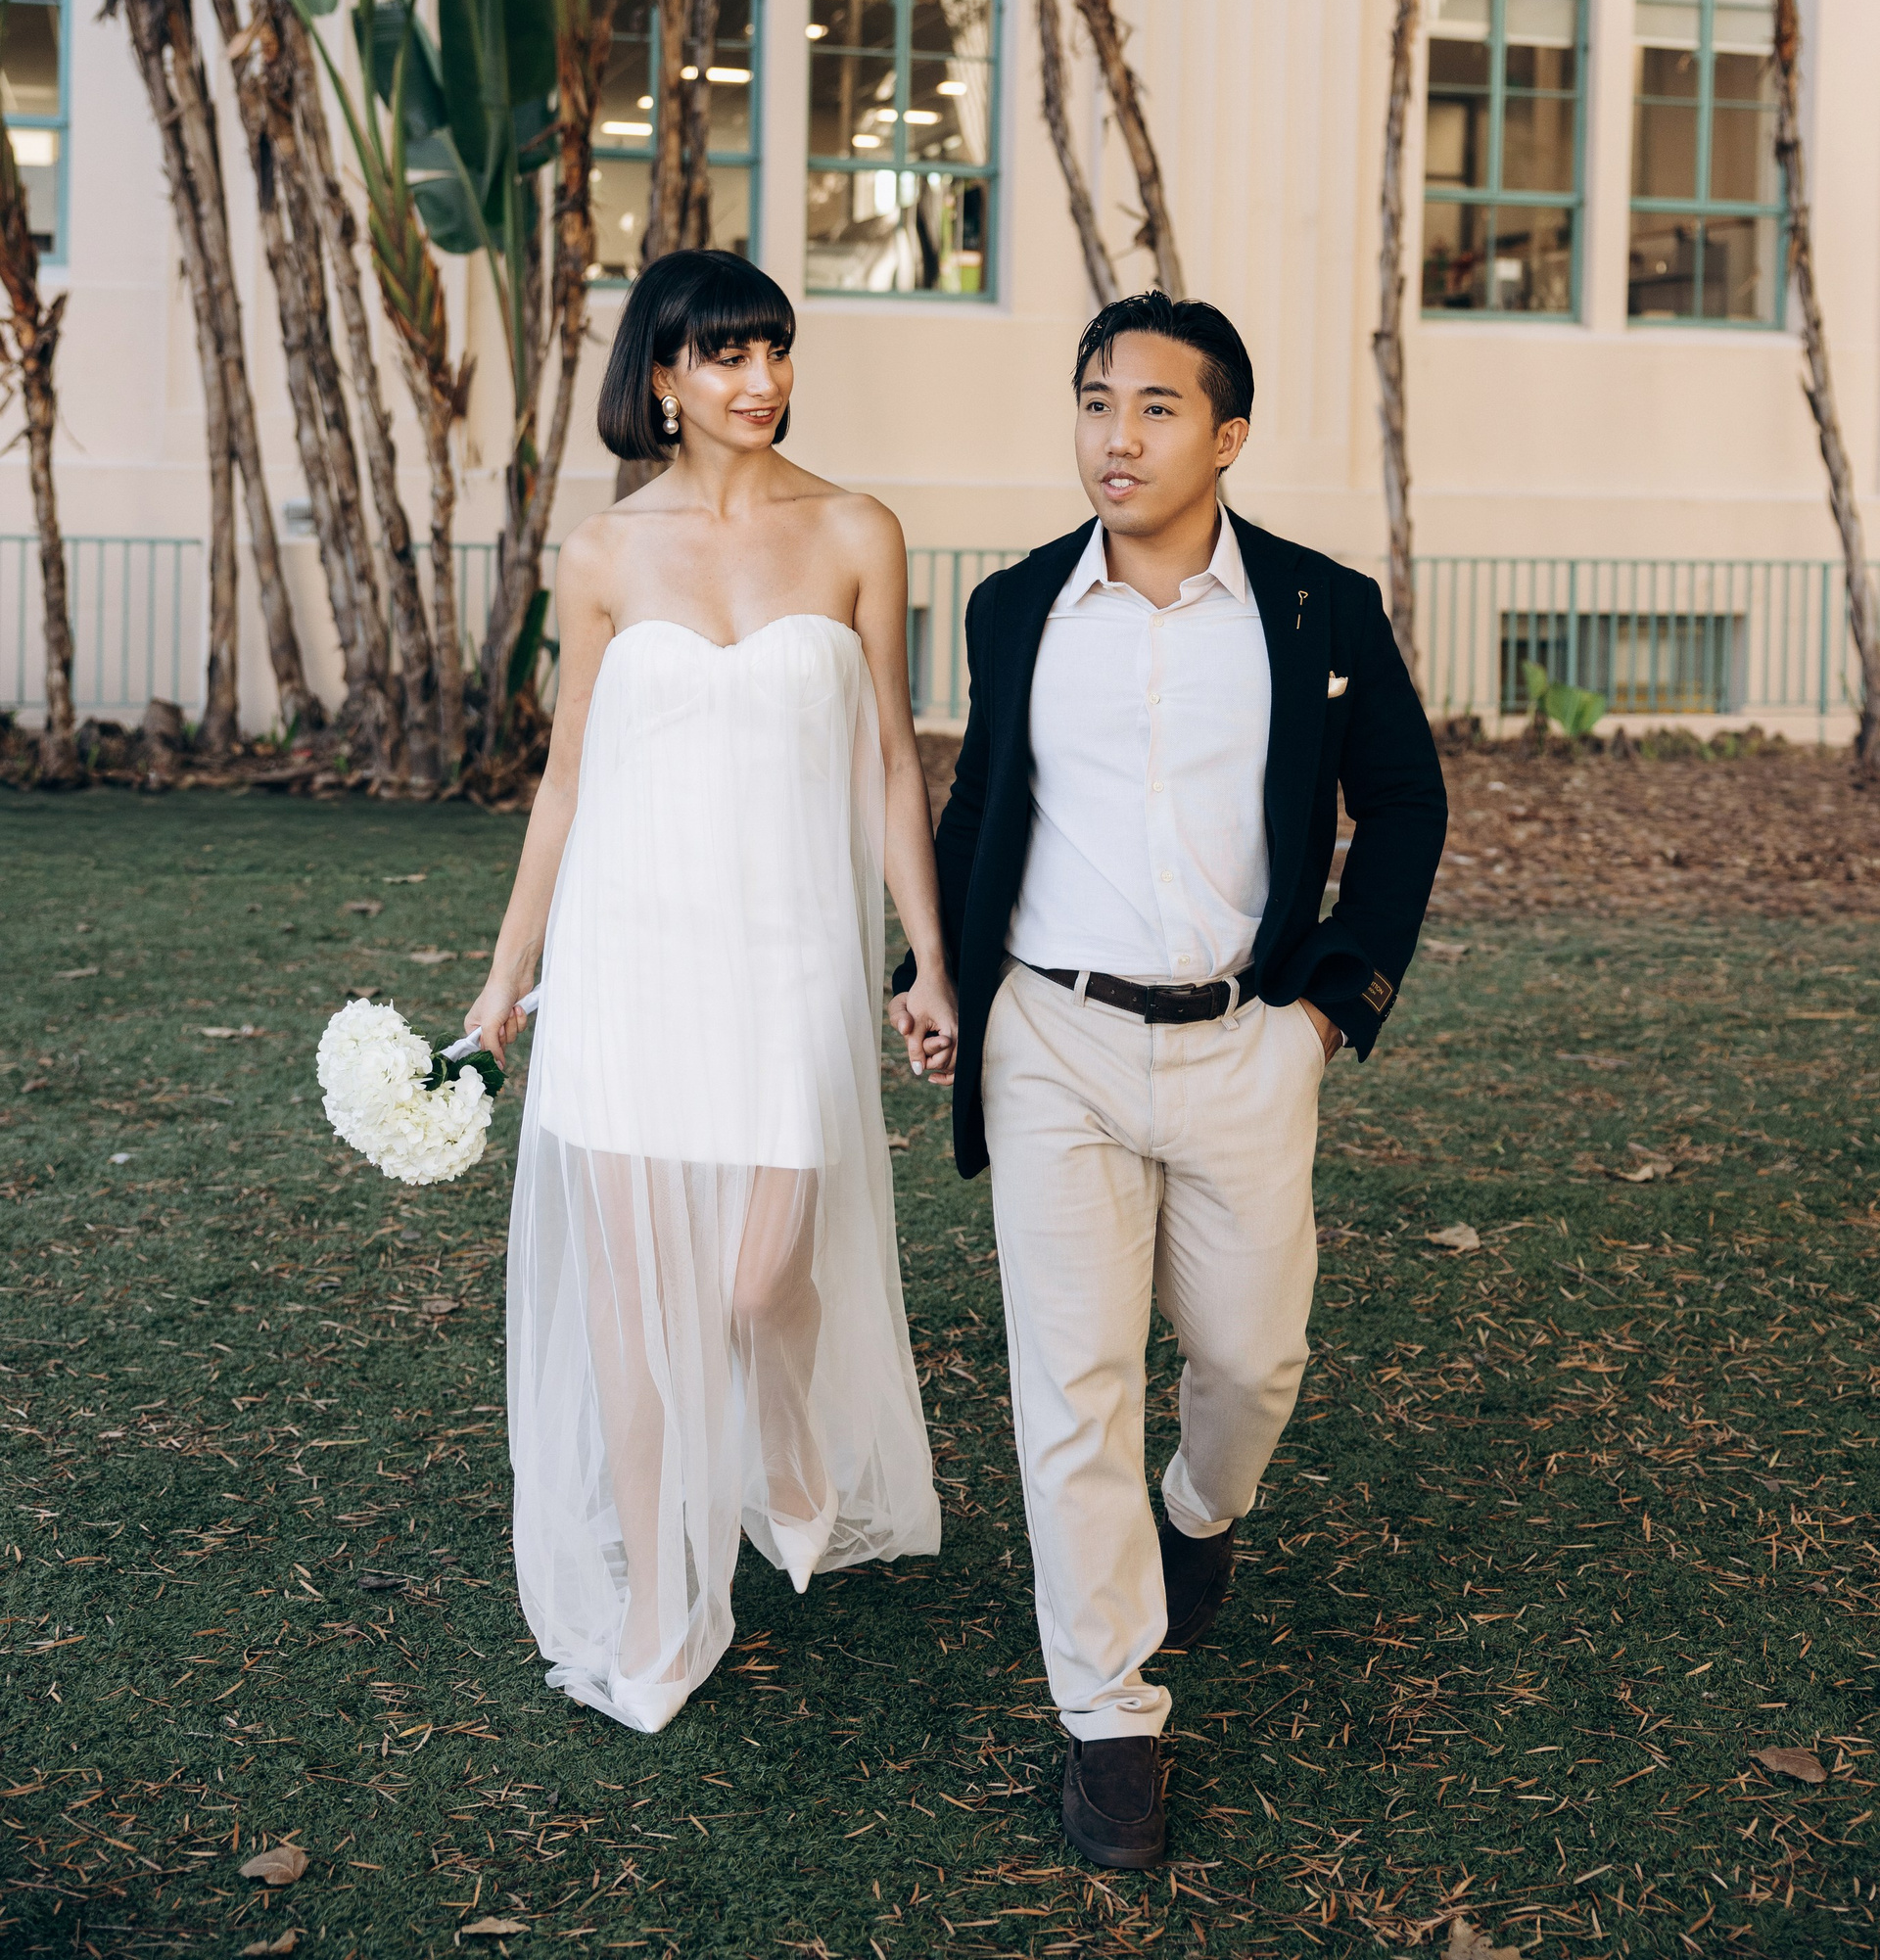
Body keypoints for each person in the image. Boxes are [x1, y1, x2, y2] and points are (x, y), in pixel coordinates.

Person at [891, 290, 1446, 1868]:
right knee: (1072, 1388)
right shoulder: (1016, 606)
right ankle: (1110, 1718)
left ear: (1227, 435)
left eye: (1153, 407)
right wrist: (936, 976)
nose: (1115, 438)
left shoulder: (1320, 611)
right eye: (1094, 403)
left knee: (1252, 1359)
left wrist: (1330, 1009)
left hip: (1245, 1042)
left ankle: (1200, 1514)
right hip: (1054, 1042)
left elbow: (1404, 804)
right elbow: (983, 802)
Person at [463, 249, 952, 1733]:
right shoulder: (605, 553)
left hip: (788, 963)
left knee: (752, 1284)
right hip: (628, 959)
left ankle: (783, 1425)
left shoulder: (858, 530)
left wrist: (930, 958)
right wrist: (507, 976)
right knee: (633, 1302)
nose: (763, 380)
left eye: (776, 350)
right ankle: (657, 1610)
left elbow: (890, 763)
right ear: (664, 377)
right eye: (729, 356)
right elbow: (565, 785)